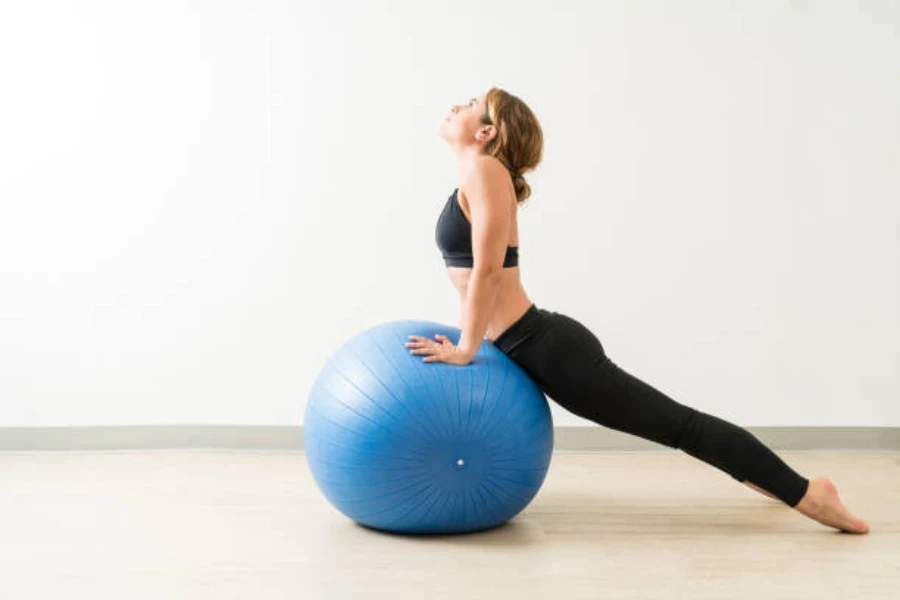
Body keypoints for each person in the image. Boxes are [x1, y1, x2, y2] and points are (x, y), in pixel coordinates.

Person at [404, 87, 870, 534]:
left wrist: (466, 348)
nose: (456, 106)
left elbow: (486, 271)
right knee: (678, 428)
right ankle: (779, 484)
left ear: (486, 132)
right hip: (529, 345)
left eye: (470, 104)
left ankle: (811, 493)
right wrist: (472, 341)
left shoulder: (485, 172)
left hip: (546, 350)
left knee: (680, 427)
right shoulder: (479, 175)